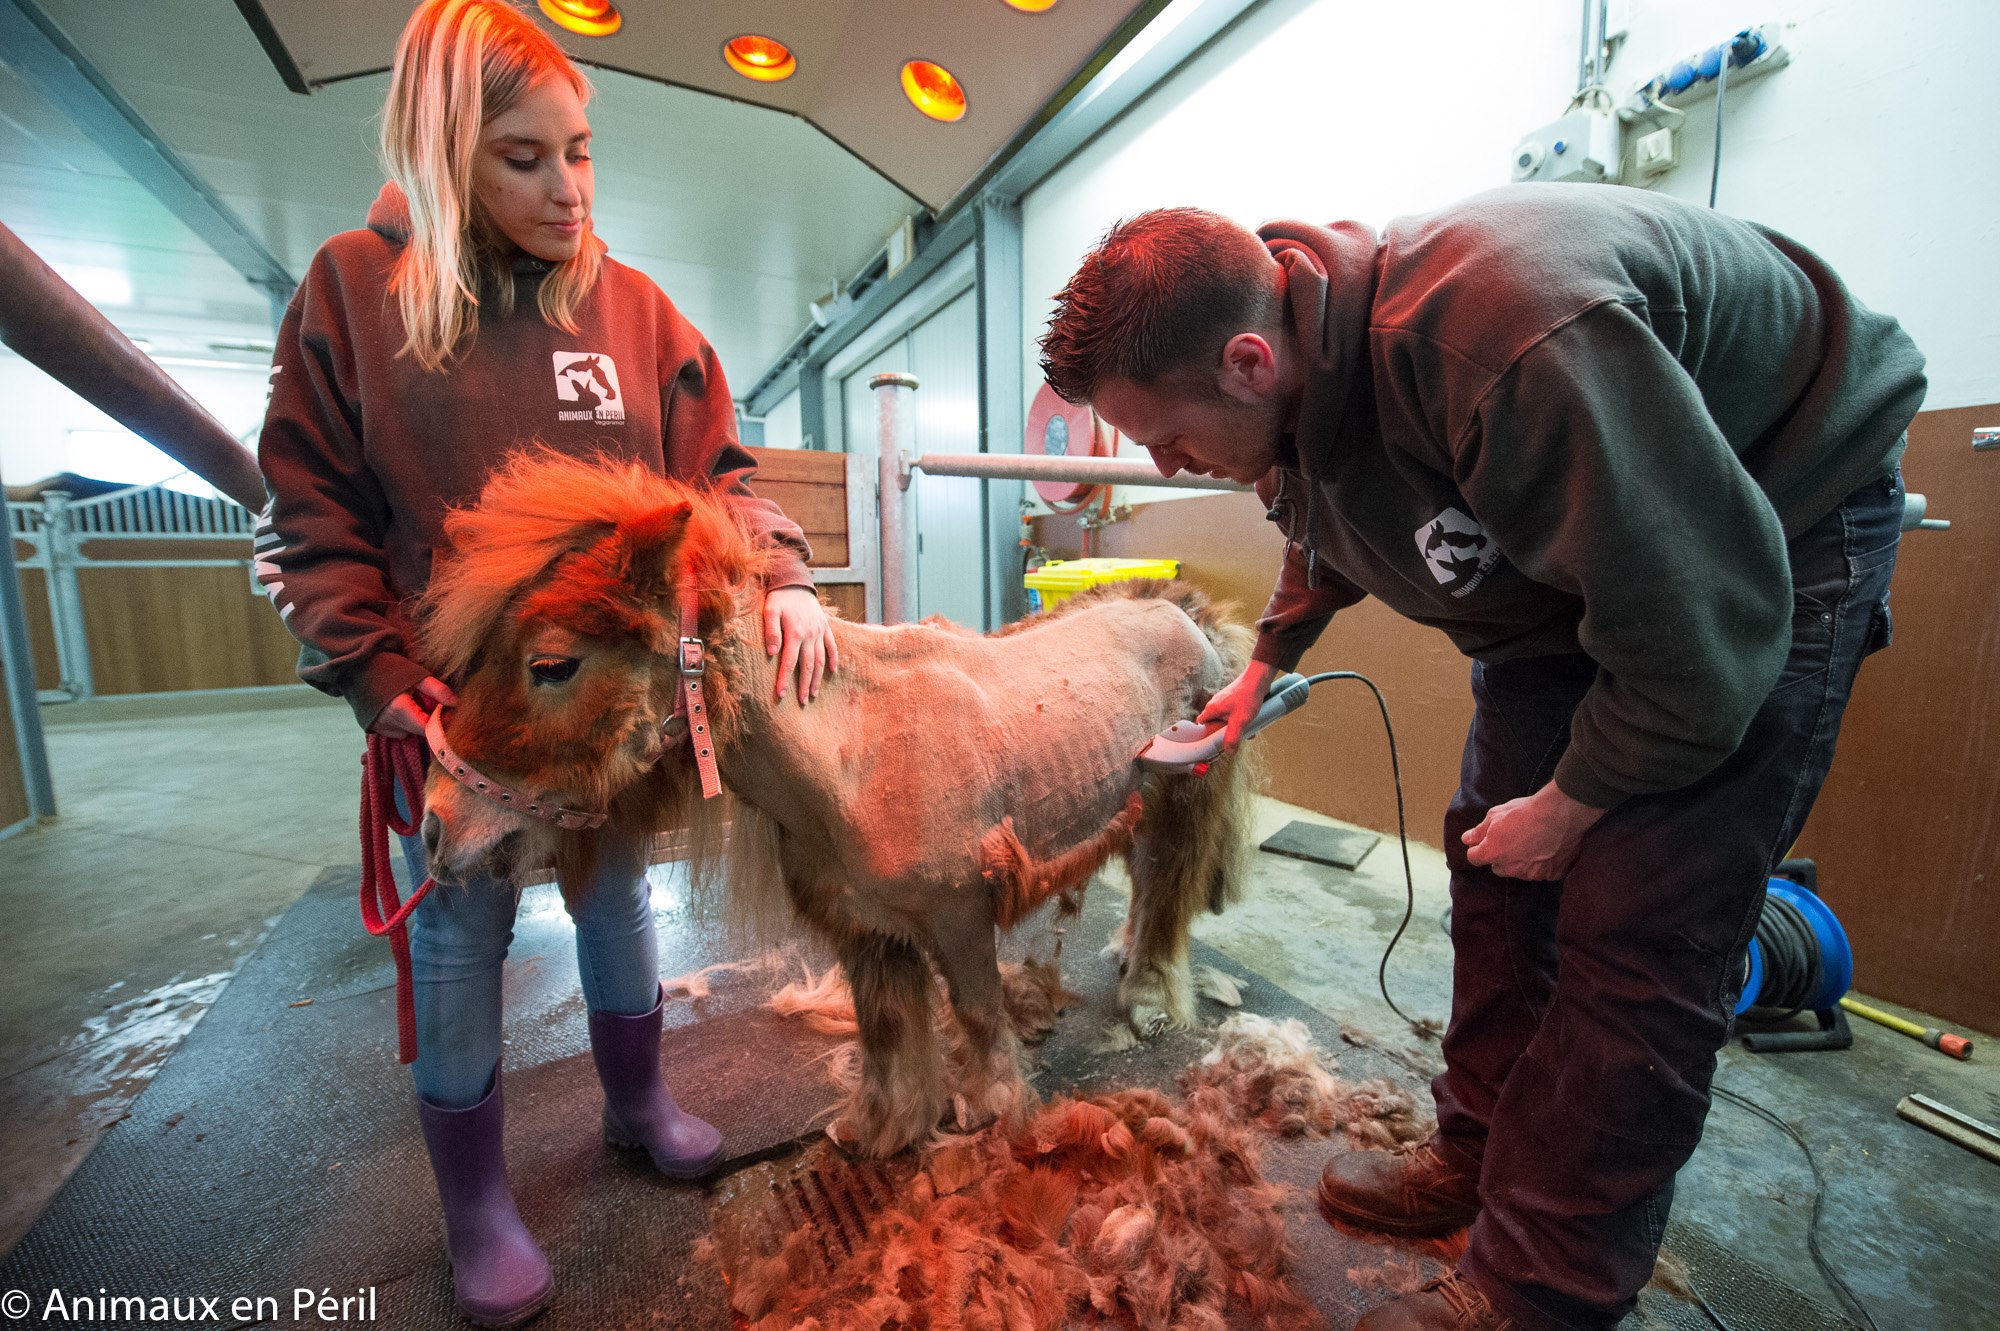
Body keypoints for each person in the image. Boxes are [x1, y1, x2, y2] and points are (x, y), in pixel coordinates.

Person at [1038, 186, 1923, 1331]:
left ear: (1249, 360)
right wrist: (1264, 661)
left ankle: (1537, 1292)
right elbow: (1323, 504)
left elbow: (1693, 630)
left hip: (1763, 528)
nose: (1164, 465)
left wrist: (1577, 797)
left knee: (1637, 926)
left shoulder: (1504, 343)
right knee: (1491, 868)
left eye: (1167, 437)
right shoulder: (1296, 373)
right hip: (1596, 557)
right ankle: (1478, 1152)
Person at [253, 2, 837, 1324]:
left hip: (609, 716)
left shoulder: (632, 309)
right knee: (460, 932)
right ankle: (477, 1208)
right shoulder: (355, 291)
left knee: (619, 891)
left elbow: (721, 476)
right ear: (448, 148)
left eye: (581, 151)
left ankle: (639, 1100)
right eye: (525, 158)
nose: (569, 189)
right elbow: (314, 515)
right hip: (464, 716)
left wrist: (789, 574)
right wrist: (380, 678)